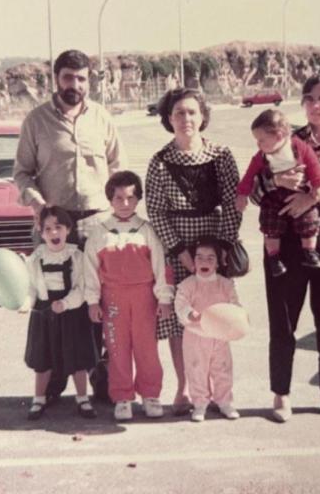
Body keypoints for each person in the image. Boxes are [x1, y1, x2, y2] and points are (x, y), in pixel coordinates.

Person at [14, 49, 126, 404]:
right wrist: (38, 203)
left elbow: (118, 169)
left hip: (96, 223)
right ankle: (55, 374)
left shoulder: (102, 119)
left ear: (88, 81)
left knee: (95, 300)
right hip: (54, 227)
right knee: (52, 304)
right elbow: (21, 172)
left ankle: (99, 370)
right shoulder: (36, 121)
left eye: (80, 78)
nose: (74, 85)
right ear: (56, 78)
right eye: (67, 77)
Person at [252, 75, 320, 423]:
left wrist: (313, 196)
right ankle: (280, 395)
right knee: (283, 319)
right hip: (284, 235)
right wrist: (274, 183)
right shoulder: (284, 136)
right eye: (310, 98)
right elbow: (255, 187)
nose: (316, 105)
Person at [144, 88, 242, 415]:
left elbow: (232, 204)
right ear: (168, 119)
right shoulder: (159, 162)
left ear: (202, 116)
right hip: (177, 245)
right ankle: (185, 388)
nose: (186, 119)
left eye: (191, 112)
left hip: (215, 244)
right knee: (180, 319)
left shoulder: (222, 155)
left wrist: (224, 246)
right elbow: (156, 211)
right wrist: (179, 250)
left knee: (216, 314)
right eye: (178, 114)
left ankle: (218, 391)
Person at [84, 171, 173, 421]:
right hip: (113, 299)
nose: (125, 203)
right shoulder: (99, 233)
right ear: (110, 200)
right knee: (117, 348)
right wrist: (93, 301)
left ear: (138, 199)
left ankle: (150, 394)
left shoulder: (147, 231)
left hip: (144, 297)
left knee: (147, 348)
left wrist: (163, 298)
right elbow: (89, 271)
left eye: (130, 198)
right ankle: (122, 397)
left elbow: (160, 267)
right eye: (119, 198)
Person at [22, 206, 100, 420]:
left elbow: (81, 287)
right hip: (45, 314)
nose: (53, 233)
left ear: (68, 229)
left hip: (72, 313)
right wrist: (26, 303)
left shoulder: (76, 255)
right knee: (43, 359)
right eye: (47, 229)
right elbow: (31, 287)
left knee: (77, 358)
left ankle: (82, 398)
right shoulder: (36, 258)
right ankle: (39, 398)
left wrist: (66, 303)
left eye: (58, 228)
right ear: (40, 231)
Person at [235, 108, 320, 277]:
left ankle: (310, 252)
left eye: (261, 140)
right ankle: (273, 258)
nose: (258, 144)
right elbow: (249, 176)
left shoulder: (299, 147)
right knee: (270, 226)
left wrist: (318, 186)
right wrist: (242, 194)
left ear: (278, 136)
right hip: (273, 196)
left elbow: (314, 166)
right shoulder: (261, 156)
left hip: (299, 194)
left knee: (309, 220)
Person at [174, 238, 241, 422]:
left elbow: (235, 305)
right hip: (196, 335)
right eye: (200, 258)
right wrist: (189, 313)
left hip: (219, 335)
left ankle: (225, 402)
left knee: (222, 368)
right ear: (193, 261)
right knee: (197, 369)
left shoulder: (225, 285)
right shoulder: (187, 285)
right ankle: (200, 404)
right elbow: (180, 304)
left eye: (211, 258)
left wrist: (234, 320)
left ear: (218, 263)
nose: (205, 262)